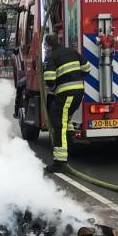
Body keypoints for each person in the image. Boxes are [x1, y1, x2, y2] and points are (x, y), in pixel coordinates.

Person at [42, 33, 90, 173]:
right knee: (65, 118)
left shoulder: (51, 57)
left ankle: (60, 162)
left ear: (48, 45)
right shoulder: (72, 51)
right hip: (79, 92)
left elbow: (50, 80)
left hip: (66, 94)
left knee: (59, 124)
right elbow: (86, 69)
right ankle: (71, 142)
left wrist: (54, 88)